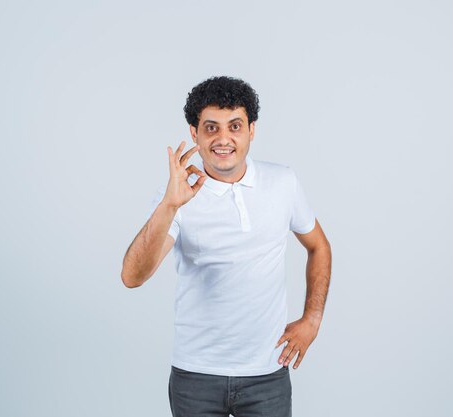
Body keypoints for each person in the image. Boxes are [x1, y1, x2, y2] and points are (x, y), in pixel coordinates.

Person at [120, 75, 332, 417]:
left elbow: (319, 246)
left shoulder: (283, 182)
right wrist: (170, 205)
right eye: (211, 128)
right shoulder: (175, 198)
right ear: (194, 133)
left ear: (251, 129)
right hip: (196, 376)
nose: (223, 139)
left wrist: (313, 319)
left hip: (267, 375)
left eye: (234, 126)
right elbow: (132, 276)